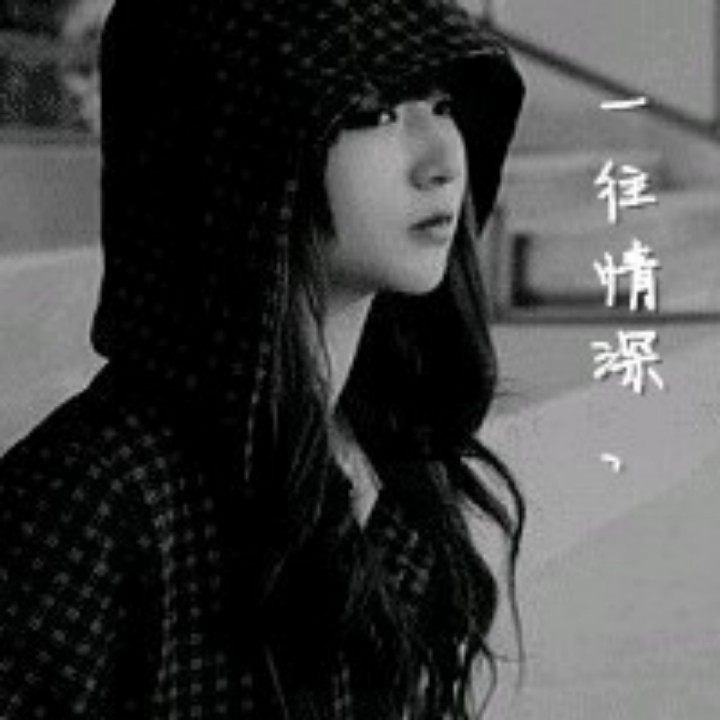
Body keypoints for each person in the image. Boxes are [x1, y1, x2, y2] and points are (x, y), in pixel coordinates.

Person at [0, 0, 526, 717]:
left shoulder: (391, 453)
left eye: (442, 105)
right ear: (239, 150)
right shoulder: (94, 496)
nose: (442, 162)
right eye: (372, 115)